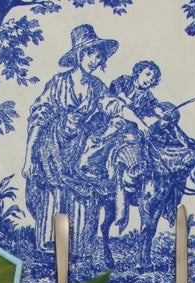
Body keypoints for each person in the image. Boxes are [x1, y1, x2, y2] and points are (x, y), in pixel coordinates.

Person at [24, 24, 123, 260]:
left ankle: (79, 248)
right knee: (55, 192)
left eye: (99, 55)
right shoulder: (58, 83)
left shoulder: (97, 86)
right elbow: (38, 117)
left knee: (84, 193)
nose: (95, 59)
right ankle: (51, 244)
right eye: (91, 54)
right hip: (53, 147)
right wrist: (29, 156)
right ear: (80, 55)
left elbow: (112, 104)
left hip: (81, 147)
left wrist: (125, 113)